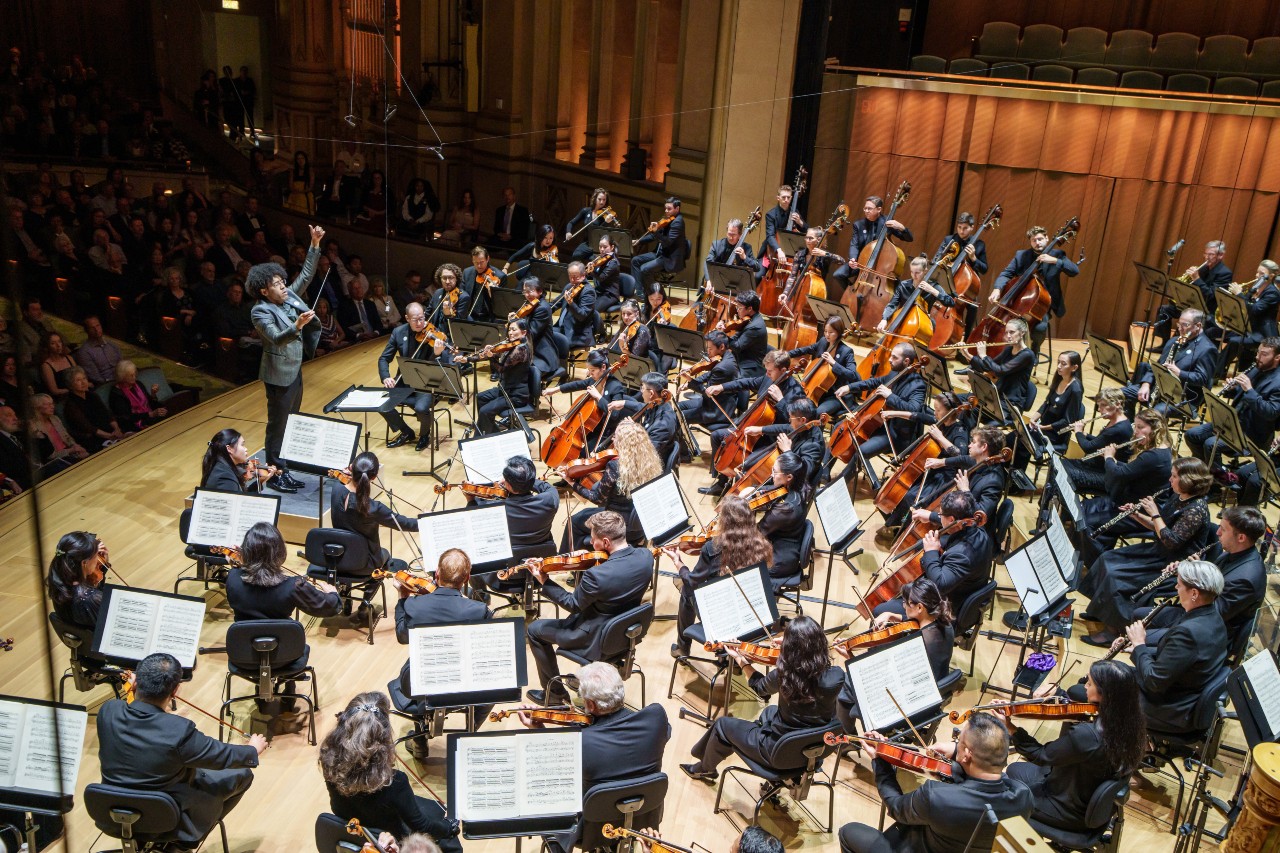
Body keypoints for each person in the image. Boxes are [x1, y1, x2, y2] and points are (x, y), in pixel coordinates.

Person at [97, 653, 267, 849]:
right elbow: (221, 755)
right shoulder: (178, 732)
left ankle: (140, 841)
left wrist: (135, 692)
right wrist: (252, 750)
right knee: (242, 774)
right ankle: (183, 843)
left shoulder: (108, 711)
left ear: (136, 682)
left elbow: (132, 716)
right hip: (165, 817)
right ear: (175, 690)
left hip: (112, 812)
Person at [514, 663, 670, 853]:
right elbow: (664, 734)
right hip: (643, 817)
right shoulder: (656, 718)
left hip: (591, 830)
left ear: (590, 705)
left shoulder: (580, 742)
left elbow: (549, 764)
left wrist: (537, 729)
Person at [838, 713, 1033, 853]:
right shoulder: (1024, 796)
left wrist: (879, 761)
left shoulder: (936, 796)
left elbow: (895, 807)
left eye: (960, 741)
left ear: (967, 755)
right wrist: (958, 749)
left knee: (849, 832)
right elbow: (991, 780)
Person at [681, 615, 843, 782]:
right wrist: (790, 654)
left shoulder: (785, 675)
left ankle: (704, 769)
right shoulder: (837, 675)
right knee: (770, 711)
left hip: (776, 752)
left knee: (722, 725)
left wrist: (740, 660)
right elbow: (811, 674)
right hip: (813, 749)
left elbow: (761, 688)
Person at [524, 511, 653, 705]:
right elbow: (621, 567)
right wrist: (595, 558)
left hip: (593, 638)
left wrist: (544, 580)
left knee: (534, 630)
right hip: (623, 632)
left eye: (594, 540)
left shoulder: (596, 575)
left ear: (606, 542)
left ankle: (555, 695)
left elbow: (573, 604)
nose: (591, 544)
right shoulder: (646, 557)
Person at [1085, 560, 1228, 735]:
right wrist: (1138, 650)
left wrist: (1139, 644)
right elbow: (1181, 659)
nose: (1176, 587)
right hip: (1181, 691)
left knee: (1082, 691)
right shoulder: (1213, 617)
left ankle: (1096, 743)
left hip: (1167, 706)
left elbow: (1154, 681)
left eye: (1180, 584)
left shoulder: (1189, 632)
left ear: (1194, 593)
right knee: (1102, 674)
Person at [1079, 457, 1213, 642]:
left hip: (1173, 563)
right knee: (1107, 558)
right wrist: (1136, 515)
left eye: (1174, 476)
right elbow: (1158, 527)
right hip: (1158, 550)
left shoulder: (1196, 510)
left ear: (1188, 480)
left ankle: (1114, 630)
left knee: (1118, 577)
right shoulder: (1179, 496)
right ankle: (1100, 610)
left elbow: (1171, 541)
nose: (1170, 480)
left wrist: (1155, 512)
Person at [1006, 660, 1147, 832]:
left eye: (1089, 683)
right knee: (1015, 769)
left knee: (1006, 791)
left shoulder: (1087, 735)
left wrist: (1011, 729)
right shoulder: (1132, 721)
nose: (1084, 687)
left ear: (1104, 694)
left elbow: (1041, 754)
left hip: (1068, 809)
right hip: (1089, 794)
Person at [320, 692, 461, 853]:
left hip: (357, 827)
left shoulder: (329, 762)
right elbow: (421, 826)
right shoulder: (395, 782)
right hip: (390, 837)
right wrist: (449, 827)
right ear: (383, 738)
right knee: (450, 839)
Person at [389, 548, 493, 757]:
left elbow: (402, 636)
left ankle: (419, 740)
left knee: (423, 677)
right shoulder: (478, 611)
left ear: (437, 574)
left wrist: (402, 598)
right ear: (467, 578)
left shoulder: (414, 605)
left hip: (420, 683)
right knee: (493, 690)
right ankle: (468, 734)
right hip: (463, 684)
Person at [247, 223, 324, 493]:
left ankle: (286, 466)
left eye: (282, 282)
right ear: (264, 291)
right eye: (276, 285)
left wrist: (314, 244)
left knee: (292, 420)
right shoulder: (260, 312)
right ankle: (275, 470)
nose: (283, 287)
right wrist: (298, 326)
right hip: (278, 374)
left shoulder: (287, 296)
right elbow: (276, 337)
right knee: (278, 424)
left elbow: (306, 275)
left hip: (294, 368)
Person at [1136, 505, 1266, 649]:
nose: (1217, 532)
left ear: (1241, 537)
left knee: (1139, 638)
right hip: (1195, 615)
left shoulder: (1245, 579)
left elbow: (1211, 614)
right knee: (1138, 615)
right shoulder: (1234, 552)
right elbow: (1211, 584)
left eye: (1223, 529)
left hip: (1207, 632)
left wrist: (1188, 579)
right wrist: (1192, 570)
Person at [835, 577, 954, 734]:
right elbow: (914, 621)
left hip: (910, 704)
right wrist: (891, 615)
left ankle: (847, 740)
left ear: (920, 607)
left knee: (844, 683)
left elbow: (879, 678)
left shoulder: (916, 645)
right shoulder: (945, 624)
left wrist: (851, 657)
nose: (903, 606)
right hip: (931, 693)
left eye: (906, 603)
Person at [667, 494, 774, 656]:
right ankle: (734, 660)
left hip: (725, 616)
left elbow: (692, 581)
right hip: (754, 615)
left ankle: (683, 647)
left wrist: (679, 564)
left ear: (725, 521)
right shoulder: (760, 544)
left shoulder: (713, 549)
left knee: (687, 590)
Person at [701, 349, 807, 496]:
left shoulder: (796, 392)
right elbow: (748, 382)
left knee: (747, 464)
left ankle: (741, 495)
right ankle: (721, 481)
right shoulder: (768, 378)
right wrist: (722, 387)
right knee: (717, 436)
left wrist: (781, 400)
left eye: (770, 371)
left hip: (770, 437)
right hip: (752, 429)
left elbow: (791, 424)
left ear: (783, 370)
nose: (767, 374)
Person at [876, 392, 976, 540]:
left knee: (911, 496)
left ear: (950, 412)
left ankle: (902, 530)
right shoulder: (941, 421)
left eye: (938, 410)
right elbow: (918, 416)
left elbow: (960, 455)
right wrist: (894, 413)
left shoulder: (960, 431)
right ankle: (894, 525)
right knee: (895, 488)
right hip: (931, 469)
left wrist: (940, 437)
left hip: (945, 477)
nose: (935, 413)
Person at [833, 341, 927, 490]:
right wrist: (849, 387)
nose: (889, 359)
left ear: (906, 361)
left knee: (862, 450)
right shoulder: (895, 373)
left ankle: (838, 487)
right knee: (840, 428)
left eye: (895, 357)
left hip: (895, 434)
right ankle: (824, 472)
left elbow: (914, 410)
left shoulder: (918, 385)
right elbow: (874, 382)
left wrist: (890, 396)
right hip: (879, 425)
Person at [558, 419, 661, 550]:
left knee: (574, 522)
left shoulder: (615, 465)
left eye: (616, 437)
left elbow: (597, 498)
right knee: (585, 513)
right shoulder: (650, 461)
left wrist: (571, 482)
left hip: (616, 525)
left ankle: (571, 563)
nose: (613, 439)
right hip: (639, 524)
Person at [467, 456, 561, 597]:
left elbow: (472, 518)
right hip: (541, 570)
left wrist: (470, 500)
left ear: (509, 485)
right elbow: (546, 486)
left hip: (499, 576)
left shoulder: (492, 508)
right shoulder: (550, 500)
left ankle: (481, 597)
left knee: (470, 553)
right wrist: (525, 481)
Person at [894, 490, 994, 617]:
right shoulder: (976, 525)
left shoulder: (962, 555)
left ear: (951, 519)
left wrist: (931, 552)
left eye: (940, 515)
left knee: (880, 610)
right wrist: (930, 516)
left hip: (947, 607)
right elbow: (956, 521)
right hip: (961, 587)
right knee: (921, 544)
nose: (939, 516)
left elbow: (939, 585)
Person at [1185, 335, 1280, 464]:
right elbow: (1243, 395)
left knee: (1211, 445)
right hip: (1232, 424)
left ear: (1277, 358)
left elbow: (1271, 413)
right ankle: (1203, 470)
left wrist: (1249, 390)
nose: (1258, 357)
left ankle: (1217, 480)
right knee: (1192, 435)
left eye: (1264, 354)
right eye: (1258, 352)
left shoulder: (1278, 382)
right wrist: (1233, 389)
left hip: (1251, 434)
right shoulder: (1257, 368)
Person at [1076, 408, 1173, 531]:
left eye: (1140, 427)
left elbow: (1118, 474)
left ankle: (1092, 547)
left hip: (1140, 510)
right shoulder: (1162, 448)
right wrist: (1115, 461)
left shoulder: (1153, 455)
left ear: (1155, 428)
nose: (1136, 432)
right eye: (1135, 427)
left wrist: (1109, 458)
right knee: (1082, 507)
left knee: (1087, 522)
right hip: (1131, 499)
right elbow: (1133, 469)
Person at [990, 225, 1080, 355]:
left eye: (1040, 239)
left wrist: (1055, 261)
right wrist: (997, 289)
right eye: (1034, 240)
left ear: (1047, 238)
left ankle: (1034, 351)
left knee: (1040, 327)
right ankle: (997, 353)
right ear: (1030, 242)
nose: (1037, 243)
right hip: (1018, 302)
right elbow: (1006, 273)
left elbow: (1074, 271)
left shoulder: (1057, 255)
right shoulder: (1022, 255)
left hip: (1042, 305)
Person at [226, 521, 340, 622]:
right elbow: (329, 607)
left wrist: (240, 563)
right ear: (280, 552)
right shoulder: (294, 586)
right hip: (283, 642)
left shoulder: (232, 578)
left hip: (242, 642)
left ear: (246, 551)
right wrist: (333, 594)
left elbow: (242, 576)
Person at [331, 451, 420, 580]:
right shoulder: (372, 508)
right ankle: (367, 595)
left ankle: (345, 592)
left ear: (351, 468)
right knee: (385, 554)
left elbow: (343, 484)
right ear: (374, 477)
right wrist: (426, 518)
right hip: (364, 564)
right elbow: (405, 524)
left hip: (337, 557)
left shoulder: (336, 489)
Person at [379, 302, 452, 452]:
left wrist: (437, 353)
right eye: (415, 320)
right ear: (407, 318)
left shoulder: (433, 333)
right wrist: (386, 377)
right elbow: (383, 359)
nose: (420, 323)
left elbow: (442, 364)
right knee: (381, 404)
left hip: (425, 382)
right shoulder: (398, 333)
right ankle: (406, 432)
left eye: (422, 318)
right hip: (404, 380)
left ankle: (424, 434)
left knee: (421, 407)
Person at [1125, 308, 1217, 416]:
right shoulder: (1174, 341)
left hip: (1181, 399)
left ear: (1198, 326)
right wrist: (1146, 384)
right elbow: (1157, 366)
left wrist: (1179, 372)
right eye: (1179, 324)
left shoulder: (1207, 349)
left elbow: (1203, 379)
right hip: (1158, 389)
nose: (1180, 329)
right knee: (1121, 394)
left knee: (1153, 414)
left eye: (1185, 325)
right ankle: (1128, 424)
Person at [829, 194, 914, 301]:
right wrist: (853, 258)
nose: (866, 211)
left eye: (869, 208)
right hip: (862, 264)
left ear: (879, 209)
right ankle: (852, 293)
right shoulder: (858, 225)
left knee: (899, 291)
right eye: (865, 208)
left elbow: (909, 238)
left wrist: (902, 228)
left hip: (881, 267)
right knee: (838, 274)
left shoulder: (887, 223)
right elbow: (854, 244)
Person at [542, 350, 628, 451]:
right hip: (591, 427)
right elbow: (576, 385)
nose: (590, 374)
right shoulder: (594, 380)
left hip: (605, 432)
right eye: (588, 370)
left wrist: (598, 397)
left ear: (603, 367)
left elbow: (614, 415)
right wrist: (555, 390)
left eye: (592, 370)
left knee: (582, 453)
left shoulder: (615, 387)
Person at [456, 319, 531, 434]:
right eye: (509, 329)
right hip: (505, 389)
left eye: (514, 330)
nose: (510, 333)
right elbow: (488, 354)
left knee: (485, 411)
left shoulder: (521, 350)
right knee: (480, 397)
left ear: (524, 332)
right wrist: (468, 359)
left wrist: (492, 357)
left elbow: (501, 369)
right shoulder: (511, 345)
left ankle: (480, 436)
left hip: (516, 395)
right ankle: (491, 432)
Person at [1153, 241, 1232, 348]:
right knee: (1164, 310)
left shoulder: (1225, 273)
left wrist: (1197, 279)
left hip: (1207, 311)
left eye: (1211, 254)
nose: (1207, 257)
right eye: (1206, 254)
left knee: (1187, 318)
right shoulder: (1204, 268)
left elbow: (1211, 296)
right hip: (1192, 306)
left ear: (1220, 255)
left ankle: (1178, 345)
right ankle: (1165, 344)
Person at [1057, 388, 1133, 497]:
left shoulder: (1118, 429)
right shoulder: (1117, 422)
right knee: (1060, 464)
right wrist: (1086, 435)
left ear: (1117, 404)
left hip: (1105, 474)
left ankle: (1060, 508)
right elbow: (1101, 441)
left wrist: (1078, 432)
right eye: (1099, 405)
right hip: (1097, 465)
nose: (1099, 409)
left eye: (1103, 405)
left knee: (1064, 471)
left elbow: (1088, 448)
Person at [752, 452, 812, 590]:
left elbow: (756, 533)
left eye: (774, 471)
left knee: (732, 558)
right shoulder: (799, 488)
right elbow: (774, 489)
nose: (771, 474)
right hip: (788, 549)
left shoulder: (785, 509)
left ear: (789, 477)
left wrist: (742, 513)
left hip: (777, 561)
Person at [958, 317, 1035, 418]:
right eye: (1006, 332)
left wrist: (984, 355)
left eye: (1012, 332)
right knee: (953, 399)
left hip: (1009, 404)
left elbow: (1000, 371)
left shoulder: (1027, 355)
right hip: (995, 397)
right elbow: (988, 367)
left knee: (969, 411)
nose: (1008, 336)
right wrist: (968, 355)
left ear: (1022, 333)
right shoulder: (1008, 350)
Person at [786, 315, 860, 418]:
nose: (827, 335)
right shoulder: (823, 342)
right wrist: (787, 354)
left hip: (835, 395)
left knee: (818, 413)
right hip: (815, 389)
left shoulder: (846, 352)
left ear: (839, 332)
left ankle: (814, 434)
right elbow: (807, 349)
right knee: (790, 399)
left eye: (831, 332)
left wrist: (833, 363)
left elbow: (852, 375)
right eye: (825, 331)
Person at [1019, 350, 1084, 468]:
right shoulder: (1059, 378)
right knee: (1016, 436)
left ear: (1074, 368)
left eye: (1063, 364)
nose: (1059, 366)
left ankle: (1016, 479)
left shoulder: (1076, 390)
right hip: (1041, 427)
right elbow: (1046, 403)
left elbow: (1067, 421)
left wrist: (1042, 427)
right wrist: (1034, 419)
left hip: (1055, 435)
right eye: (1058, 362)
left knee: (1022, 443)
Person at [1219, 261, 1280, 374]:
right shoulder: (1256, 286)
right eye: (1257, 272)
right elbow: (1244, 305)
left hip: (1262, 333)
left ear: (1271, 276)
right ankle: (1217, 369)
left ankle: (1217, 373)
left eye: (1261, 273)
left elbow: (1255, 310)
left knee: (1234, 341)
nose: (1257, 275)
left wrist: (1239, 294)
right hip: (1249, 328)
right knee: (1215, 330)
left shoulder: (1273, 293)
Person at [46, 530, 110, 628]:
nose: (98, 559)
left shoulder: (57, 578)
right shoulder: (89, 598)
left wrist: (100, 566)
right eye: (96, 556)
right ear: (84, 563)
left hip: (81, 637)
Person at [677, 331, 740, 429]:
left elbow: (707, 392)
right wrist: (691, 382)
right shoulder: (727, 356)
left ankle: (684, 442)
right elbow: (710, 374)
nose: (708, 352)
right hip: (711, 402)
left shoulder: (723, 367)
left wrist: (690, 381)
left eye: (710, 349)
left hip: (717, 410)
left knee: (678, 416)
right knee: (678, 407)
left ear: (721, 347)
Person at [877, 255, 955, 334]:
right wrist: (884, 319)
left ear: (925, 271)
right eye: (912, 272)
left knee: (932, 324)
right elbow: (892, 304)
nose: (914, 276)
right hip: (900, 321)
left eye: (917, 273)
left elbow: (951, 302)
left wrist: (933, 291)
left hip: (919, 326)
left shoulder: (934, 287)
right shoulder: (903, 285)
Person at [614, 371, 679, 464]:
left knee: (611, 464)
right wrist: (624, 403)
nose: (641, 391)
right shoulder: (660, 404)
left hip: (651, 465)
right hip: (646, 452)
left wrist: (633, 432)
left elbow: (646, 453)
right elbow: (644, 407)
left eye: (642, 388)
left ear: (651, 393)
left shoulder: (663, 425)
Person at [63, 367, 127, 452]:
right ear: (70, 385)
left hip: (109, 431)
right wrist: (110, 436)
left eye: (84, 378)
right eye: (78, 380)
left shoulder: (92, 395)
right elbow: (88, 427)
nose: (83, 382)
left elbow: (107, 414)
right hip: (93, 438)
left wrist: (117, 429)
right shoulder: (71, 405)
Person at [631, 197, 688, 288]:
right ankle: (639, 291)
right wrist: (639, 241)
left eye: (669, 209)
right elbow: (654, 236)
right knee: (635, 261)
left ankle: (652, 293)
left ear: (677, 209)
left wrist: (656, 231)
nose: (666, 211)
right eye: (665, 208)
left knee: (644, 269)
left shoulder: (678, 222)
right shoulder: (669, 219)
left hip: (669, 258)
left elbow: (668, 242)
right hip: (660, 254)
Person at [201, 427, 273, 493]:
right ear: (229, 449)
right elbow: (239, 504)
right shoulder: (224, 477)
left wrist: (260, 482)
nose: (246, 449)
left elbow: (240, 497)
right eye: (242, 445)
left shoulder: (221, 466)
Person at [513, 277, 560, 376]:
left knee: (520, 371)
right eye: (525, 292)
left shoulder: (542, 308)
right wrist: (513, 321)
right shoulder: (529, 305)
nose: (526, 295)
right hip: (530, 349)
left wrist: (516, 324)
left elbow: (531, 334)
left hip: (541, 354)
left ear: (540, 291)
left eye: (530, 291)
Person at [28, 393, 89, 469]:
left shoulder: (54, 419)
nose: (52, 406)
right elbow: (49, 455)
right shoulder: (33, 426)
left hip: (69, 453)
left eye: (52, 403)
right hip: (56, 461)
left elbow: (68, 438)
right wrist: (71, 450)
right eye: (47, 404)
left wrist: (75, 447)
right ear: (37, 407)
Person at [719, 290, 769, 379]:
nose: (737, 310)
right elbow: (736, 338)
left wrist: (722, 334)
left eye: (739, 307)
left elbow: (737, 347)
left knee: (727, 375)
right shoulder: (749, 319)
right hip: (742, 355)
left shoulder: (755, 326)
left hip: (750, 365)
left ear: (750, 308)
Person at [108, 360, 168, 432]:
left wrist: (153, 393)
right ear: (122, 377)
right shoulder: (116, 394)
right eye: (131, 375)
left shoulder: (138, 384)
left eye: (135, 374)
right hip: (134, 425)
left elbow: (150, 403)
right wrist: (150, 414)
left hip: (149, 417)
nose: (134, 377)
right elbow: (126, 417)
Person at [565, 188, 620, 261]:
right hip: (587, 243)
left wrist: (606, 222)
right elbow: (571, 223)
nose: (602, 202)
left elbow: (600, 233)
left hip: (599, 245)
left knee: (594, 260)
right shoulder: (586, 211)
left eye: (604, 200)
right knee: (576, 255)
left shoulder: (607, 215)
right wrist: (568, 232)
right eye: (599, 199)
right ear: (594, 199)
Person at [703, 217, 763, 283]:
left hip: (736, 284)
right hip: (716, 282)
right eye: (729, 234)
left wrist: (745, 257)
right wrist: (708, 280)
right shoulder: (717, 245)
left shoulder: (747, 248)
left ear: (740, 235)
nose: (730, 237)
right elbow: (707, 263)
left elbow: (757, 268)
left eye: (734, 235)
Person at [555, 261, 597, 349]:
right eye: (570, 277)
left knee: (553, 344)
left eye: (576, 277)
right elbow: (555, 303)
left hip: (577, 333)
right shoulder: (569, 286)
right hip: (563, 328)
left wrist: (571, 303)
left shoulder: (588, 291)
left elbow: (582, 316)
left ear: (583, 275)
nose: (573, 280)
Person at [761, 183, 805, 266]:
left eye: (788, 197)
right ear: (778, 198)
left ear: (791, 198)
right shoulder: (771, 215)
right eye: (783, 197)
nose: (786, 200)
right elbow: (770, 236)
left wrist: (800, 222)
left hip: (790, 252)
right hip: (773, 250)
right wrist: (779, 250)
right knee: (759, 276)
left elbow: (807, 231)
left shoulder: (795, 212)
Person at [460, 246, 505, 321]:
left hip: (489, 317)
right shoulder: (467, 272)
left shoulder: (499, 276)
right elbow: (462, 293)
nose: (479, 266)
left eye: (481, 262)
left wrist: (493, 292)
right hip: (470, 315)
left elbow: (500, 302)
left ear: (487, 259)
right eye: (476, 263)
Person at [77, 315, 123, 386]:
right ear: (87, 331)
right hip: (107, 385)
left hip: (122, 379)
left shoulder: (111, 345)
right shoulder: (84, 352)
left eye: (98, 326)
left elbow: (122, 364)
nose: (96, 329)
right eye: (92, 328)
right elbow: (96, 378)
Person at [425, 262, 470, 333]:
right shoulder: (438, 293)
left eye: (451, 277)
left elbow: (459, 324)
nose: (447, 281)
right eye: (444, 278)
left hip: (451, 337)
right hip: (434, 333)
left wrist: (448, 314)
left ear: (456, 279)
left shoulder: (463, 297)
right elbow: (428, 312)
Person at [589, 234, 624, 314]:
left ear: (612, 247)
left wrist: (592, 271)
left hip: (610, 294)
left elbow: (601, 277)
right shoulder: (600, 259)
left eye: (605, 247)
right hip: (599, 291)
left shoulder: (613, 262)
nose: (602, 249)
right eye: (600, 247)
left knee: (593, 311)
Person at [38, 331, 76, 400]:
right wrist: (72, 390)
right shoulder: (46, 365)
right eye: (53, 343)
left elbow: (79, 375)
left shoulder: (69, 358)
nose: (58, 345)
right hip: (64, 397)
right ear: (47, 347)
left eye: (59, 341)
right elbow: (54, 390)